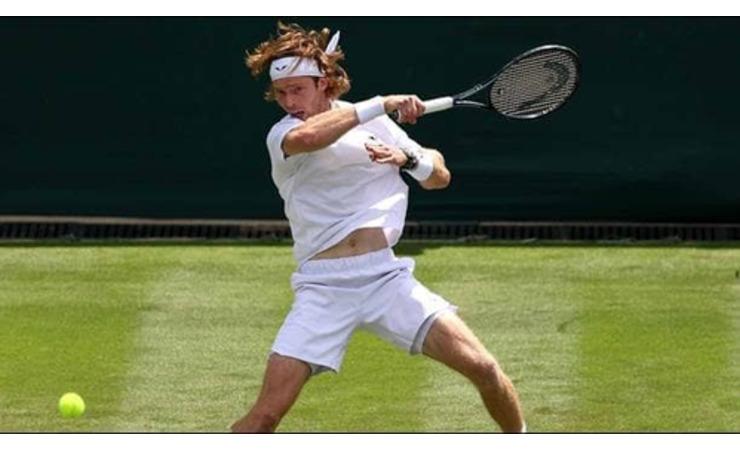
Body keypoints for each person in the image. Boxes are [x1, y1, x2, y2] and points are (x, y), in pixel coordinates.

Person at [231, 22, 526, 433]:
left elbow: (438, 175)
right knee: (265, 417)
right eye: (281, 92)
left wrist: (408, 159)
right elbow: (311, 138)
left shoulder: (378, 125)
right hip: (324, 288)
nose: (288, 101)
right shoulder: (285, 133)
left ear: (325, 85)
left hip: (386, 279)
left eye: (298, 89)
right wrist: (382, 102)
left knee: (484, 368)